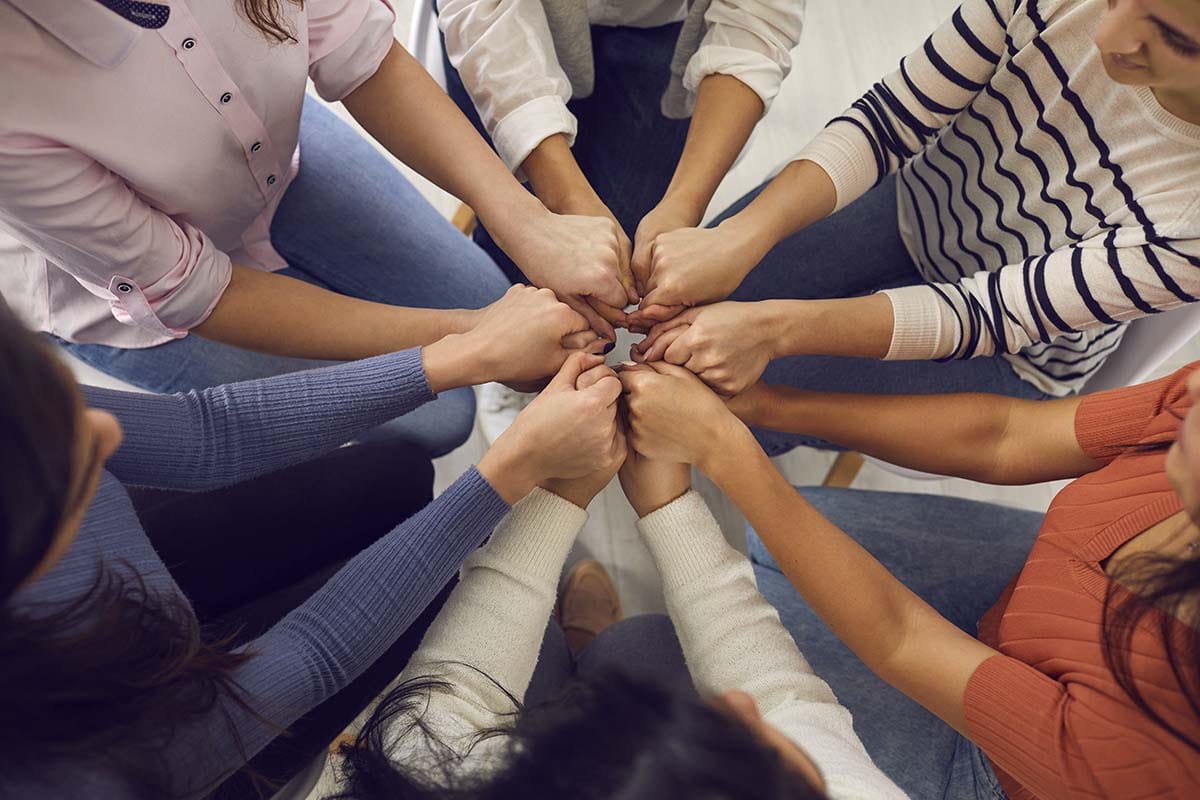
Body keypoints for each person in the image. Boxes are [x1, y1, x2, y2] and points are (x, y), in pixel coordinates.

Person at [0, 290, 625, 799]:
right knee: (438, 597)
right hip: (171, 736)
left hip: (131, 638)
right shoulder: (75, 777)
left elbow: (204, 433)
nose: (106, 431)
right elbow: (315, 653)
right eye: (69, 465)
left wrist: (462, 356)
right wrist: (515, 472)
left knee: (393, 472)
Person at [0, 0, 631, 456]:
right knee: (438, 422)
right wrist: (474, 341)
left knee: (483, 293)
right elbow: (197, 289)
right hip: (126, 286)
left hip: (266, 153)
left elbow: (359, 54)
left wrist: (525, 222)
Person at [628, 0, 1200, 456]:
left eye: (1175, 38)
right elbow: (890, 118)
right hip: (917, 200)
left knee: (723, 400)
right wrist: (738, 237)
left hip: (1011, 349)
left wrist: (771, 330)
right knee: (700, 306)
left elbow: (987, 314)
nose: (1108, 36)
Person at [618, 359, 1200, 797]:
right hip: (1030, 595)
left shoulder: (1151, 750)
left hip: (1001, 769)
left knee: (650, 647)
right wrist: (766, 404)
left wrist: (717, 454)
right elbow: (1005, 435)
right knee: (786, 537)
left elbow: (898, 640)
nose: (1193, 386)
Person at [327, 397, 906, 800]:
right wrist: (668, 503)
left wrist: (561, 491)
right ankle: (581, 644)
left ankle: (570, 645)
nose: (741, 706)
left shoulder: (414, 780)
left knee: (562, 648)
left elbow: (448, 698)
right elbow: (785, 701)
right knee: (645, 643)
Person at [437, 0, 805, 336]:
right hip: (496, 25)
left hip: (662, 25)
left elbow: (760, 15)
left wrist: (684, 203)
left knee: (624, 237)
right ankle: (514, 334)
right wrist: (561, 200)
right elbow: (483, 15)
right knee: (519, 240)